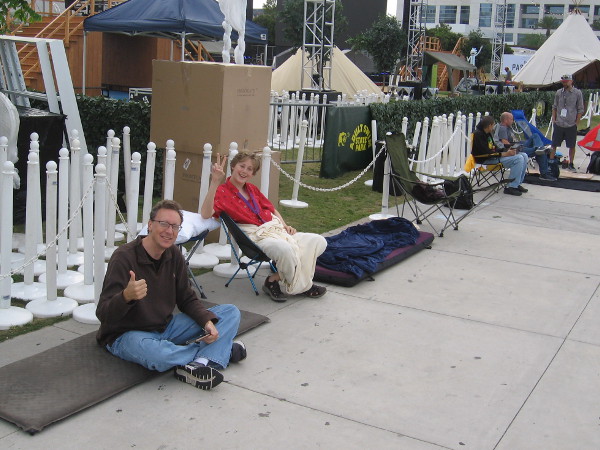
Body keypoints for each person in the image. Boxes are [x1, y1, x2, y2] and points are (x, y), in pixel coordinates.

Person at [96, 199, 246, 391]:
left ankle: (198, 363)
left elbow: (186, 297)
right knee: (158, 356)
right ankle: (217, 353)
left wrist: (206, 322)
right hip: (126, 335)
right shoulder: (124, 257)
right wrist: (125, 297)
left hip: (165, 328)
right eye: (163, 224)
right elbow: (103, 314)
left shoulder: (174, 254)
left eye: (175, 227)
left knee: (230, 312)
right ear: (150, 225)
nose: (169, 231)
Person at [201, 151, 327, 302]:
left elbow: (272, 209)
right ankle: (305, 286)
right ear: (233, 166)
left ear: (253, 174)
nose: (245, 171)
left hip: (275, 229)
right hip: (256, 237)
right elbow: (206, 214)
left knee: (319, 241)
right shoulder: (222, 191)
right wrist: (215, 181)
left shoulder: (252, 189)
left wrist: (285, 225)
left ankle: (273, 279)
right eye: (242, 166)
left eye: (249, 169)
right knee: (285, 250)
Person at [471, 115, 528, 196]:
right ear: (489, 125)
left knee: (524, 155)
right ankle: (510, 187)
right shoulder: (478, 135)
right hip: (485, 160)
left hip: (494, 156)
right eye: (493, 125)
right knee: (518, 159)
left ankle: (517, 183)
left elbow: (494, 148)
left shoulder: (488, 134)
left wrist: (506, 150)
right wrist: (504, 154)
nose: (494, 127)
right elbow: (486, 153)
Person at [494, 111, 556, 182]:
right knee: (541, 151)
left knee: (535, 136)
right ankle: (544, 173)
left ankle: (539, 148)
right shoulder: (503, 128)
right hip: (515, 149)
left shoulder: (508, 128)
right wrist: (516, 147)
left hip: (519, 144)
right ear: (505, 120)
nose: (513, 121)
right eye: (511, 119)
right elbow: (504, 142)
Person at [551, 74, 584, 172]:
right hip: (559, 123)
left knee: (571, 145)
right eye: (563, 82)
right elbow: (555, 107)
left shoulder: (577, 93)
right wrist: (554, 120)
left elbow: (580, 109)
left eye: (566, 81)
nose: (564, 83)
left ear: (571, 81)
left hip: (571, 123)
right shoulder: (558, 93)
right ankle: (551, 162)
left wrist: (576, 122)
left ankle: (571, 163)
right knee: (554, 144)